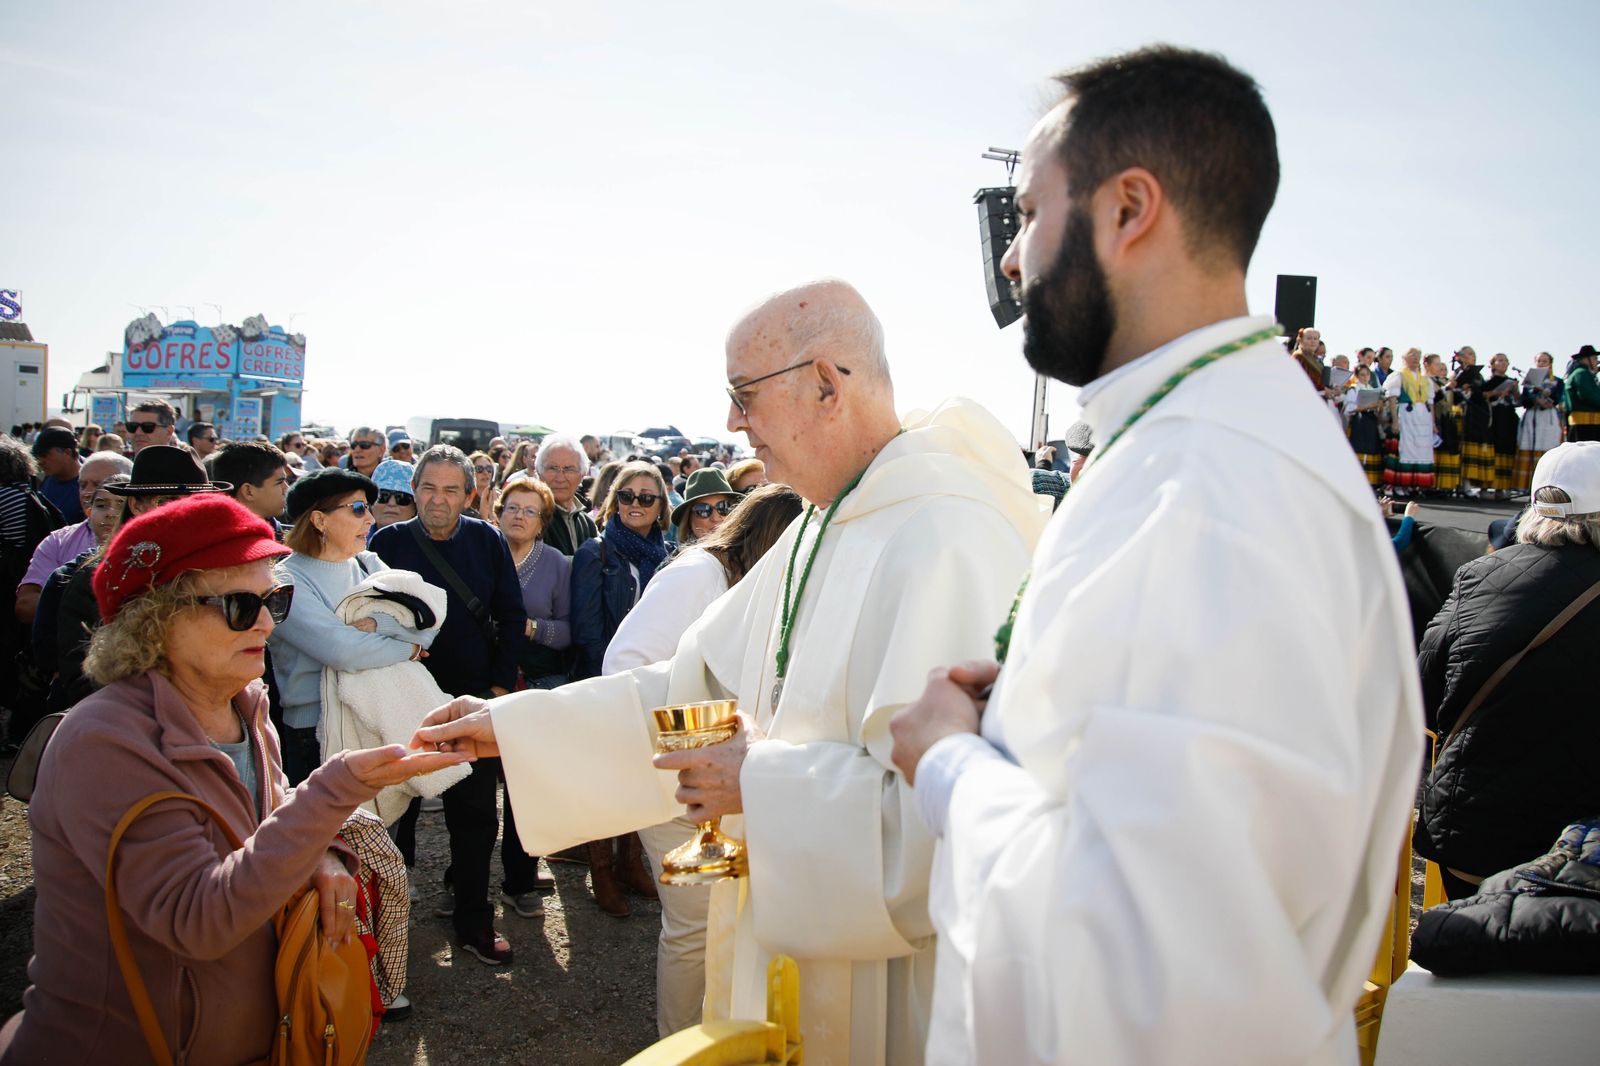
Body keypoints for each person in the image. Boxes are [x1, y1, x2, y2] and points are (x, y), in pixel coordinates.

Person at [886, 47, 1422, 1064]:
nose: (1012, 260)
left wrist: (946, 763)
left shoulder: (1214, 489)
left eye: (1032, 213)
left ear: (1128, 210)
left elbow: (1155, 971)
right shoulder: (1197, 441)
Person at [413, 279, 1045, 1064]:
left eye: (744, 394)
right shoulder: (819, 521)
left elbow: (956, 820)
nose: (730, 423)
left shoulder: (949, 536)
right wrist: (514, 727)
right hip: (786, 941)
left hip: (883, 990)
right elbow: (694, 690)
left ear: (825, 384)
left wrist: (766, 783)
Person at [0, 495, 467, 1064]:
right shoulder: (105, 743)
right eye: (241, 606)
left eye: (276, 598)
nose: (269, 621)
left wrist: (316, 852)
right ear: (156, 615)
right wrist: (331, 792)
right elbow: (197, 921)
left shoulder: (243, 701)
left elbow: (253, 825)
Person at [601, 482, 803, 1036]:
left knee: (721, 920)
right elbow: (625, 664)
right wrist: (703, 746)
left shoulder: (740, 582)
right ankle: (681, 1043)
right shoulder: (699, 575)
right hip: (677, 786)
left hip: (713, 782)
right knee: (694, 925)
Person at [1414, 441, 1600, 900]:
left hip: (1477, 831)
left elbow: (1427, 684)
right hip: (1585, 850)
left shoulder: (1478, 575)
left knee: (1480, 950)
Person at [372, 445, 526, 966]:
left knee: (477, 814)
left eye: (451, 490)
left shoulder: (486, 540)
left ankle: (473, 920)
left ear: (470, 494)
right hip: (404, 698)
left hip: (472, 700)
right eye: (429, 488)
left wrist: (500, 691)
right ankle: (384, 929)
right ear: (415, 491)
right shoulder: (386, 542)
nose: (439, 500)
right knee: (399, 814)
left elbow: (510, 613)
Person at [267, 467, 432, 785]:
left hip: (377, 716)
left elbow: (427, 622)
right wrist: (407, 648)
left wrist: (376, 623)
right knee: (328, 832)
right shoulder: (285, 580)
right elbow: (343, 651)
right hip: (313, 731)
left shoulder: (368, 563)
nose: (370, 518)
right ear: (319, 520)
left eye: (368, 509)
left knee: (385, 831)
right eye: (357, 509)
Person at [567, 459, 671, 916]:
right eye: (627, 495)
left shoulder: (668, 555)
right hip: (605, 680)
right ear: (614, 500)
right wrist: (605, 686)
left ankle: (630, 862)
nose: (636, 504)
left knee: (638, 775)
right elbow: (587, 628)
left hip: (650, 681)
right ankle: (602, 872)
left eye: (647, 497)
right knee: (601, 781)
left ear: (661, 506)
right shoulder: (597, 552)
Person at [490, 476, 572, 918]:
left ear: (542, 522)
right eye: (512, 508)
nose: (519, 517)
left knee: (526, 788)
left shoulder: (557, 563)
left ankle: (520, 880)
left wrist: (528, 626)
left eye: (530, 511)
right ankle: (458, 881)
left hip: (536, 682)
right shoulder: (482, 550)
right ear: (497, 511)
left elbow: (568, 631)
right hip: (485, 681)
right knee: (475, 789)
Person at [13, 452, 130, 625]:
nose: (88, 492)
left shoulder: (149, 544)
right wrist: (78, 612)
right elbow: (26, 604)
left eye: (98, 484)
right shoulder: (58, 541)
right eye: (82, 485)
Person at [1383, 346, 1436, 497]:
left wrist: (1433, 423)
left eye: (1417, 355)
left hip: (1422, 420)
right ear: (1404, 358)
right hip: (1406, 417)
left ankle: (1414, 484)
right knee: (1404, 449)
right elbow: (1392, 399)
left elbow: (1430, 404)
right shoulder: (1398, 376)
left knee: (1420, 450)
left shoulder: (1425, 379)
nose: (1415, 357)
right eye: (1411, 355)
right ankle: (1399, 484)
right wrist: (1394, 421)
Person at [536, 434, 598, 556]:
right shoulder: (530, 516)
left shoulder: (587, 525)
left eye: (569, 469)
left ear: (582, 474)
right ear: (539, 472)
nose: (560, 478)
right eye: (552, 468)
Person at [212, 440, 291, 529]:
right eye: (279, 482)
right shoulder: (216, 538)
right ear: (248, 491)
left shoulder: (278, 532)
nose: (287, 488)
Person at [1515, 352, 1565, 492]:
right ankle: (1526, 487)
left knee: (1548, 449)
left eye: (1545, 361)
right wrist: (1535, 400)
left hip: (1548, 417)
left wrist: (1549, 398)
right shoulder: (1529, 381)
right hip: (1532, 416)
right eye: (1539, 361)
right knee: (1529, 447)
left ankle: (1546, 486)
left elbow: (1558, 398)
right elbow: (1524, 400)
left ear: (1550, 364)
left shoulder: (1557, 381)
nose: (1541, 363)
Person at [1453, 346, 1494, 496]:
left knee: (1474, 448)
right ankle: (1461, 483)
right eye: (1470, 354)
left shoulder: (1479, 375)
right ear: (1461, 357)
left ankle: (1469, 483)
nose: (1473, 356)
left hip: (1477, 414)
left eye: (1474, 354)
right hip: (1464, 414)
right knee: (1464, 447)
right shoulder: (1457, 373)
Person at [670, 468, 737, 548]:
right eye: (703, 510)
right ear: (688, 519)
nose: (715, 518)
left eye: (724, 507)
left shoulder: (750, 554)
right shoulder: (683, 560)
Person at [1483, 353, 1521, 497]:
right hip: (1494, 417)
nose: (1503, 363)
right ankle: (1485, 487)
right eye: (1500, 360)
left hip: (1508, 417)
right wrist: (1500, 392)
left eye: (1506, 360)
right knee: (1493, 449)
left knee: (1507, 450)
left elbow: (1519, 401)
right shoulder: (1488, 381)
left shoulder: (1511, 381)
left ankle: (1502, 487)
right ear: (1493, 364)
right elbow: (1483, 397)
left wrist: (1515, 390)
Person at [30, 428, 84, 524]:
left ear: (67, 452)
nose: (40, 461)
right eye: (38, 456)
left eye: (45, 455)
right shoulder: (43, 480)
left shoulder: (89, 483)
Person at [1427, 353, 1463, 494]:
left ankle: (1446, 485)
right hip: (1437, 418)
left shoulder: (1447, 383)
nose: (1442, 372)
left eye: (1444, 369)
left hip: (1448, 419)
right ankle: (1432, 485)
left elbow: (1457, 401)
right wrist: (1446, 388)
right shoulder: (1431, 382)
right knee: (1437, 452)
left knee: (1449, 451)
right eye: (1439, 368)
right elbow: (1433, 399)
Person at [1346, 363, 1385, 489]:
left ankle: (1372, 482)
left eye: (1367, 374)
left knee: (1372, 448)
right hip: (1360, 422)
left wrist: (1379, 406)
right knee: (1360, 448)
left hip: (1371, 421)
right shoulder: (1353, 389)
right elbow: (1350, 409)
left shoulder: (1371, 388)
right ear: (1356, 376)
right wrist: (1368, 406)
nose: (1365, 377)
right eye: (1362, 375)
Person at [1564, 344, 1600, 442]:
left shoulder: (1582, 373)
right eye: (1595, 358)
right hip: (1586, 426)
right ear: (1586, 359)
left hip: (1585, 425)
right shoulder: (1582, 373)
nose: (1597, 361)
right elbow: (1588, 395)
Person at [370, 459, 418, 530]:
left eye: (402, 498)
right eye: (382, 496)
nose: (391, 503)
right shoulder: (350, 537)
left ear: (416, 506)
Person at [465, 451, 499, 522]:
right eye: (479, 469)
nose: (485, 472)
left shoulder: (500, 497)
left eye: (489, 468)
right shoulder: (465, 500)